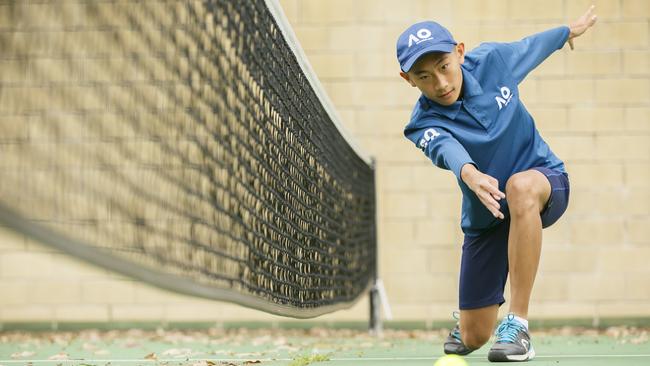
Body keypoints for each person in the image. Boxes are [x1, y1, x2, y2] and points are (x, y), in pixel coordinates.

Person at [395, 6, 598, 363]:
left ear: (459, 52)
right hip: (486, 213)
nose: (440, 83)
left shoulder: (492, 62)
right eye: (424, 76)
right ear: (407, 79)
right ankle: (471, 322)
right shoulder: (421, 123)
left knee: (520, 186)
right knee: (474, 337)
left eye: (444, 66)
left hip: (543, 182)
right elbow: (446, 149)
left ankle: (518, 324)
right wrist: (471, 174)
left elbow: (529, 47)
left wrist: (566, 31)